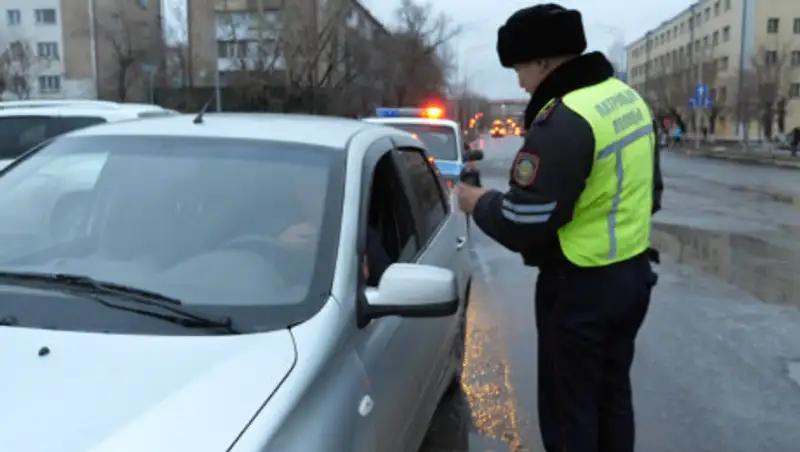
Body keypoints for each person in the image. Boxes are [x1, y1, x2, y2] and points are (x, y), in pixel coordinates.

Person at [457, 4, 662, 452]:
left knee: (570, 415)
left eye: (520, 70)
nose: (519, 83)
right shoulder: (626, 99)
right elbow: (653, 193)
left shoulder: (565, 120)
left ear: (543, 62)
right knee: (611, 398)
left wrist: (477, 201)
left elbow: (522, 221)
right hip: (632, 276)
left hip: (579, 289)